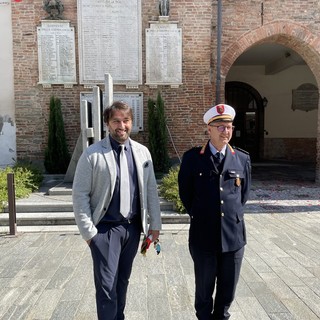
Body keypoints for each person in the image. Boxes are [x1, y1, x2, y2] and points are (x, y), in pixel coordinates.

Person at [72, 101, 162, 320]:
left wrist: (155, 225)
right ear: (107, 124)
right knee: (106, 286)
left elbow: (150, 191)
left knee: (122, 280)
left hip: (132, 229)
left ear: (132, 123)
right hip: (103, 231)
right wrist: (89, 234)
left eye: (126, 120)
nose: (121, 125)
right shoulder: (92, 155)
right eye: (116, 121)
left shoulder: (142, 153)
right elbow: (79, 194)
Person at [178, 103, 251, 320]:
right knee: (204, 293)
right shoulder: (192, 158)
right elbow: (186, 195)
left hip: (233, 237)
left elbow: (243, 196)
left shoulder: (242, 158)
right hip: (203, 237)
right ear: (208, 129)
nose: (225, 131)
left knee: (227, 294)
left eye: (228, 126)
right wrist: (202, 215)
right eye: (219, 126)